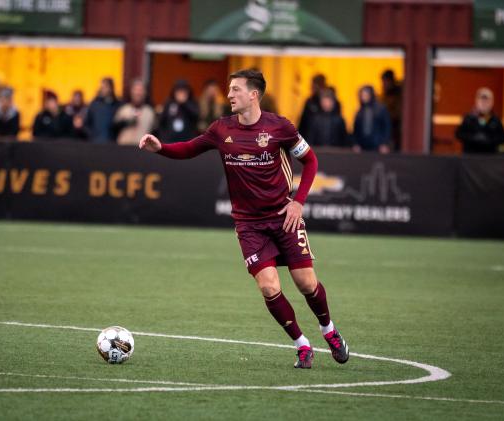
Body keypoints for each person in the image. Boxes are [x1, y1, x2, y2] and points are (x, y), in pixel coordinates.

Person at [139, 69, 349, 369]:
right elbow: (190, 148)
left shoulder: (281, 127)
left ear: (253, 94)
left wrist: (298, 203)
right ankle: (302, 345)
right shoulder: (221, 129)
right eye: (229, 89)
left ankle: (329, 330)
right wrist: (161, 148)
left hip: (283, 218)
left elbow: (311, 161)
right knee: (268, 288)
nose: (229, 95)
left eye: (235, 89)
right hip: (249, 224)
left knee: (305, 282)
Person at [455, 87, 504, 154]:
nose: (484, 103)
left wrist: (489, 139)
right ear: (476, 101)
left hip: (490, 157)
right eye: (482, 100)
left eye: (487, 101)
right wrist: (473, 138)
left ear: (492, 102)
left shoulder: (496, 120)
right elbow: (458, 134)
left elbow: (503, 137)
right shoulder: (468, 118)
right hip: (470, 156)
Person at [113, 78, 155, 145]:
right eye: (135, 90)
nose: (138, 93)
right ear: (131, 92)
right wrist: (125, 122)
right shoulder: (123, 110)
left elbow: (155, 131)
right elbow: (114, 129)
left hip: (143, 150)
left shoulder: (150, 112)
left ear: (145, 93)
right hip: (124, 149)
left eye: (140, 90)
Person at [352, 85, 391, 153]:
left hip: (378, 145)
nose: (363, 97)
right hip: (363, 146)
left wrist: (384, 143)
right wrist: (356, 143)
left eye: (365, 95)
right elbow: (356, 130)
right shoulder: (360, 111)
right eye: (362, 95)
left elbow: (386, 127)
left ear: (371, 95)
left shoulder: (380, 109)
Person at [84, 77, 121, 143]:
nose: (102, 90)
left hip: (111, 143)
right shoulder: (94, 105)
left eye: (105, 87)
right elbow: (86, 124)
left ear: (111, 88)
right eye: (101, 87)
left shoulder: (118, 105)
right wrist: (92, 136)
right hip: (95, 143)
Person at [380, 70, 403, 151]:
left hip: (395, 130)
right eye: (383, 81)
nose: (384, 84)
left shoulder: (398, 96)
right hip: (384, 131)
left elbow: (397, 113)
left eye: (386, 81)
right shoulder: (383, 96)